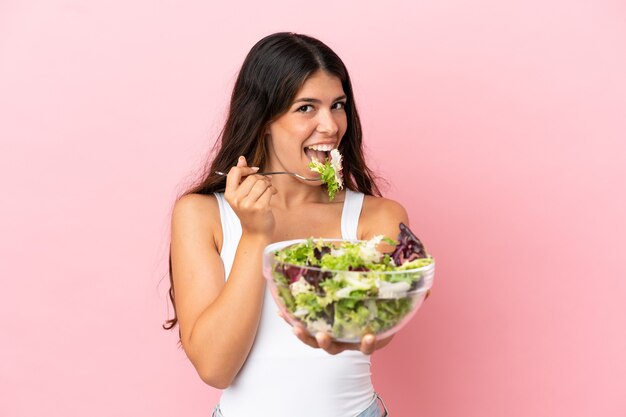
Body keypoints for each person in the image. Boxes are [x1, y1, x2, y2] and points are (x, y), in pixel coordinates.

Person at [164, 32, 411, 417]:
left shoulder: (377, 217)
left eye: (338, 105)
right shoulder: (201, 214)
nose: (330, 126)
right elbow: (215, 368)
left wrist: (380, 314)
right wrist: (256, 234)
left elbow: (378, 327)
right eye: (306, 108)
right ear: (263, 119)